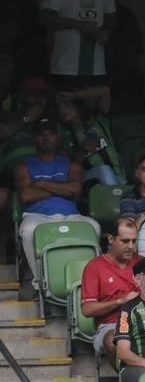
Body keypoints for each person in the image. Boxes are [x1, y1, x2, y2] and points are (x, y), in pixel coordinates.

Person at [16, 119, 99, 291]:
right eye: (42, 134)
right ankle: (40, 284)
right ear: (35, 139)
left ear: (57, 138)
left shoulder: (71, 164)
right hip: (37, 216)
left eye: (51, 134)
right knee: (29, 230)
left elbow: (76, 190)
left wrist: (42, 183)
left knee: (93, 226)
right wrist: (62, 187)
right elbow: (26, 195)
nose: (46, 138)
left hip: (71, 215)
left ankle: (88, 283)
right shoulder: (25, 165)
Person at [81, 216, 140, 366]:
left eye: (134, 241)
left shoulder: (142, 263)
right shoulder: (95, 267)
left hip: (144, 321)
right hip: (112, 325)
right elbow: (87, 310)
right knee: (113, 339)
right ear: (111, 239)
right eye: (125, 241)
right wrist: (120, 301)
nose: (130, 246)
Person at [39, 0, 116, 86]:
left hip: (96, 67)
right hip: (64, 66)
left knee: (92, 102)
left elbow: (110, 15)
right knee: (65, 101)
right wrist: (78, 24)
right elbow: (45, 18)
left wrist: (107, 32)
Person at [55, 87, 122, 185]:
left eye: (66, 105)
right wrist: (82, 151)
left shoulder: (98, 121)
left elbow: (105, 91)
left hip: (118, 176)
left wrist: (73, 95)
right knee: (104, 170)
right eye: (59, 107)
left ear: (77, 105)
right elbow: (67, 169)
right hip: (90, 180)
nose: (62, 110)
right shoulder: (64, 134)